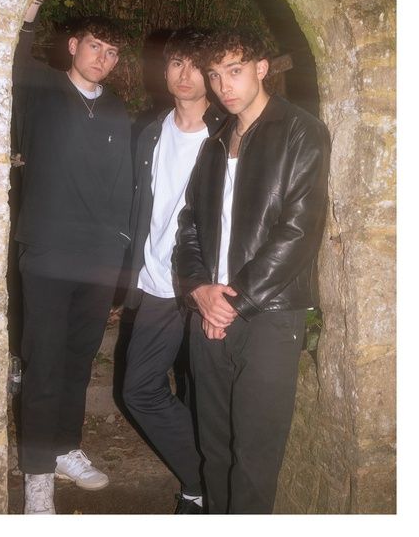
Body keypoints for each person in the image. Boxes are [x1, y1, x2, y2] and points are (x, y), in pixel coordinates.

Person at [174, 28, 330, 514]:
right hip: (209, 312)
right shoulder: (215, 142)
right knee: (214, 447)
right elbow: (190, 226)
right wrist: (199, 290)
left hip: (269, 315)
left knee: (255, 457)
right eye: (215, 75)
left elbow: (299, 231)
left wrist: (233, 302)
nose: (224, 86)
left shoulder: (301, 131)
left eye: (235, 71)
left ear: (262, 69)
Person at [12, 0, 132, 514]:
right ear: (73, 45)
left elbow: (123, 185)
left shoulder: (117, 109)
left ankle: (64, 448)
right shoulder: (41, 87)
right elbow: (15, 55)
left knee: (79, 361)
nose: (102, 57)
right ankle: (37, 476)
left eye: (112, 51)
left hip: (99, 258)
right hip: (47, 252)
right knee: (43, 362)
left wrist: (121, 258)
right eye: (94, 45)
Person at [122, 28, 227, 514]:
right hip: (158, 284)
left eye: (195, 65)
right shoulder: (150, 130)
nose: (184, 74)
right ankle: (202, 478)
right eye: (176, 63)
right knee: (140, 390)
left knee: (206, 394)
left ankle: (199, 490)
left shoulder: (228, 134)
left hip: (208, 284)